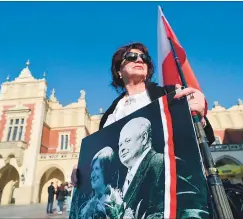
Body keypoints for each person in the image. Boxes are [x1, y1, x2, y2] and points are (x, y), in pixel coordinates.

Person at [72, 42, 214, 183]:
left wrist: (200, 117)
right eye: (131, 56)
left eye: (144, 58)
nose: (139, 60)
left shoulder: (168, 94)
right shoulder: (110, 114)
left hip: (170, 183)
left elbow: (206, 137)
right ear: (119, 71)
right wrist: (83, 169)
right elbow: (104, 155)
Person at [79, 147, 122, 219]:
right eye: (92, 170)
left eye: (97, 169)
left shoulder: (116, 204)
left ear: (106, 171)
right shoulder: (87, 206)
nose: (92, 175)